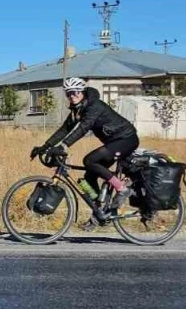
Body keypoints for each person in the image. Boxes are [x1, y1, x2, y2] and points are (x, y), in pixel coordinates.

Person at [32, 77, 139, 224]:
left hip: (126, 139)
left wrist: (63, 146)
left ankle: (122, 189)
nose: (72, 96)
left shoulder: (94, 106)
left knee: (89, 160)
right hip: (114, 142)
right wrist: (45, 146)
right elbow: (65, 129)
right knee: (89, 176)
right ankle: (99, 213)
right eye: (68, 93)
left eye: (75, 92)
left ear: (82, 92)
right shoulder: (79, 108)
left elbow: (83, 128)